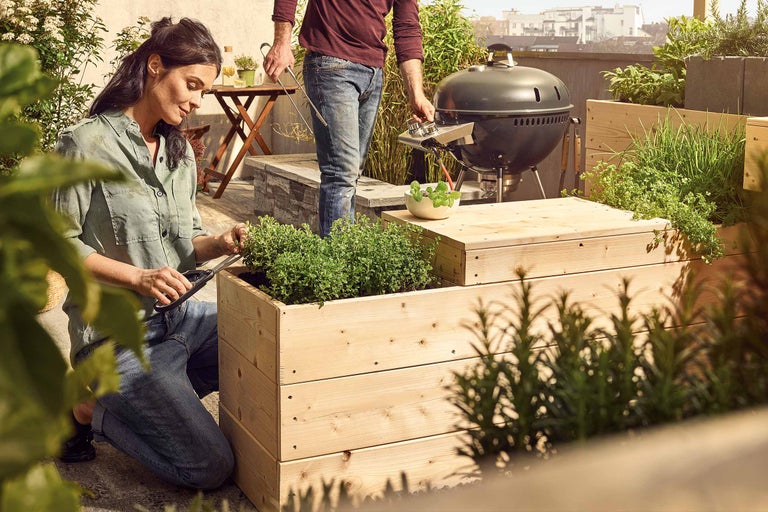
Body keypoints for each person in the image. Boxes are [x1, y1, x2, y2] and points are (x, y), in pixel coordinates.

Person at [52, 17, 243, 490]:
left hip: (181, 320)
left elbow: (187, 243)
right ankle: (86, 408)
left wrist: (220, 243)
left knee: (265, 336)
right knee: (210, 467)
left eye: (204, 91)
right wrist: (138, 278)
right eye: (192, 85)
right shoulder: (87, 143)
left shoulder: (181, 154)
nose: (197, 101)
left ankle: (157, 400)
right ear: (155, 66)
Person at [264, 0, 435, 237]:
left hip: (373, 72)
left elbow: (407, 27)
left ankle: (341, 250)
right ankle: (337, 256)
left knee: (351, 174)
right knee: (341, 173)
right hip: (331, 63)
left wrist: (416, 94)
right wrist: (281, 42)